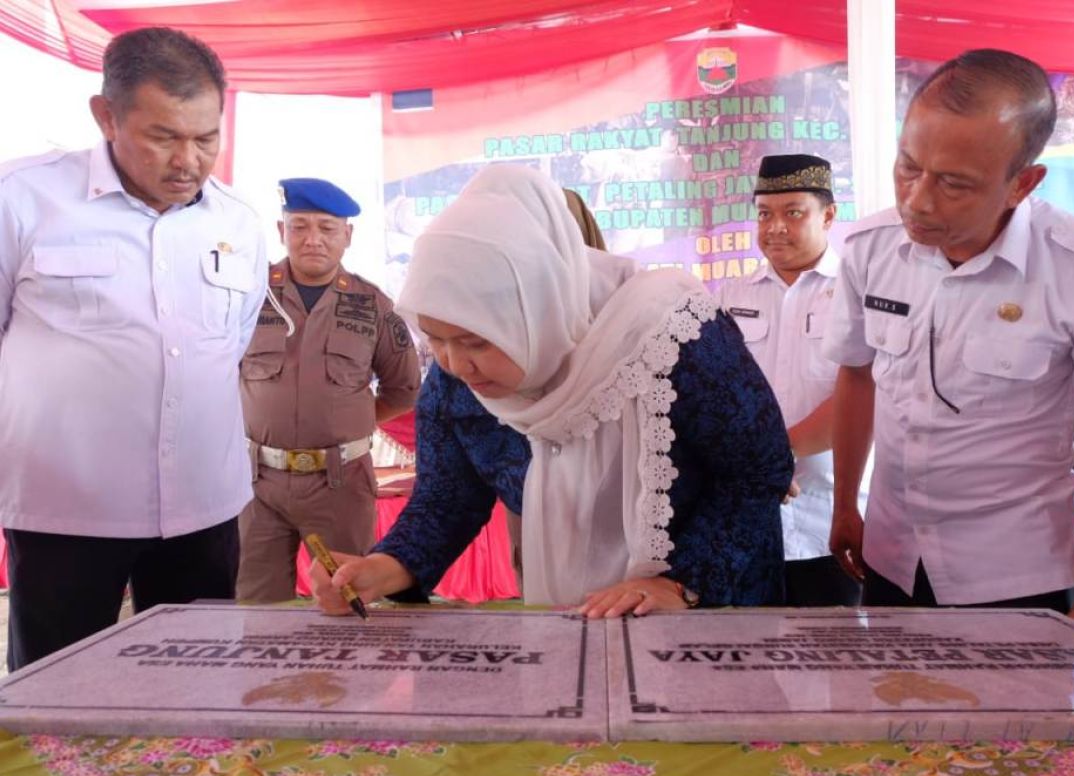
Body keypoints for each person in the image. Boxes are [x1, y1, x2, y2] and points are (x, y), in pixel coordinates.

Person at [310, 164, 792, 618]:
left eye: (476, 340)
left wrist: (681, 583)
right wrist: (383, 567)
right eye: (436, 340)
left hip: (712, 615)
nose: (455, 363)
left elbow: (758, 470)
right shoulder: (454, 385)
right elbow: (448, 499)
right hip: (573, 617)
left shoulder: (675, 335)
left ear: (535, 307)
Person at [821, 49, 1074, 627]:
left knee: (1012, 724)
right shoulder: (870, 249)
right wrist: (843, 505)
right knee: (892, 717)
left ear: (1023, 183)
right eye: (908, 167)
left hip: (1017, 576)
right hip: (889, 557)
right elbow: (857, 373)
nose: (918, 200)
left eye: (955, 184)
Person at [0, 27, 268, 670]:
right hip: (67, 511)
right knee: (57, 687)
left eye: (206, 138)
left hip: (203, 509)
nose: (189, 161)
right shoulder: (23, 199)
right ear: (106, 116)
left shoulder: (237, 223)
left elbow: (226, 348)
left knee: (197, 687)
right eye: (164, 137)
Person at [237, 178, 421, 603]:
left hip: (340, 484)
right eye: (300, 226)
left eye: (326, 228)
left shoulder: (372, 305)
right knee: (254, 604)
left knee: (346, 600)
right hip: (257, 482)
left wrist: (346, 426)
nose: (313, 239)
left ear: (347, 236)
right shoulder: (248, 296)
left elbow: (404, 389)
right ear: (282, 232)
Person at [714, 153, 862, 607]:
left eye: (792, 212)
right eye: (764, 214)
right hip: (748, 523)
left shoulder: (856, 291)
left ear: (829, 215)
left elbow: (857, 393)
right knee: (747, 666)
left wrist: (774, 457)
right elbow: (712, 397)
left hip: (830, 523)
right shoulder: (729, 297)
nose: (775, 227)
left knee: (837, 668)